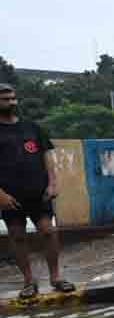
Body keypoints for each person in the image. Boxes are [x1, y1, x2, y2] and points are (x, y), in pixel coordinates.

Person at [0, 83, 74, 299]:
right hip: (9, 196)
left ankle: (56, 278)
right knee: (17, 236)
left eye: (13, 98)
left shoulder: (32, 127)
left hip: (39, 192)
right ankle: (29, 282)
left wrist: (53, 183)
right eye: (5, 99)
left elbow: (46, 156)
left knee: (48, 231)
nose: (11, 102)